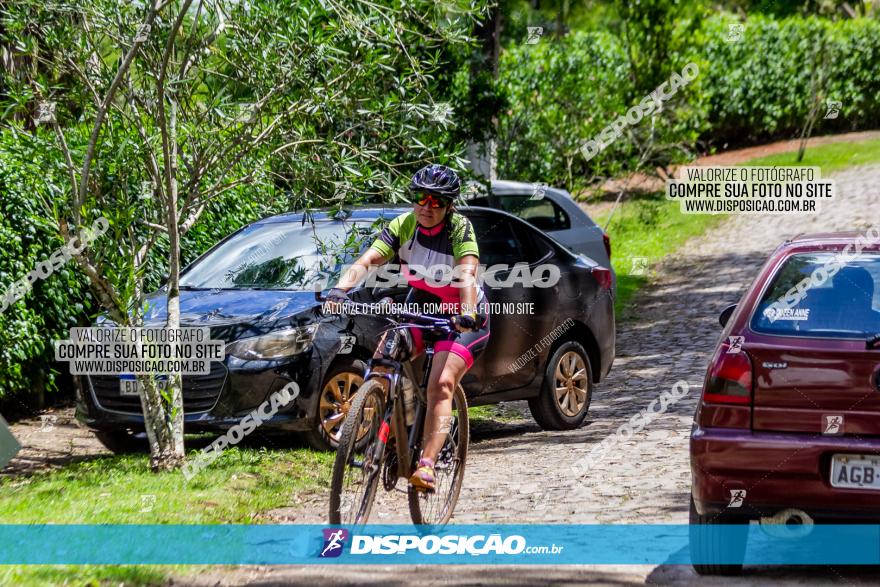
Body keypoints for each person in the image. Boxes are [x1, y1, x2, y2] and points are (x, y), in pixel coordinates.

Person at [326, 164, 489, 492]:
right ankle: (385, 428)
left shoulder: (460, 228)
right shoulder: (404, 224)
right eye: (420, 198)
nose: (427, 207)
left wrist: (467, 312)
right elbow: (369, 260)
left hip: (461, 313)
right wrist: (339, 290)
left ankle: (427, 465)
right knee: (384, 358)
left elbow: (467, 275)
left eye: (436, 201)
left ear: (449, 205)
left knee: (440, 384)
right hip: (422, 304)